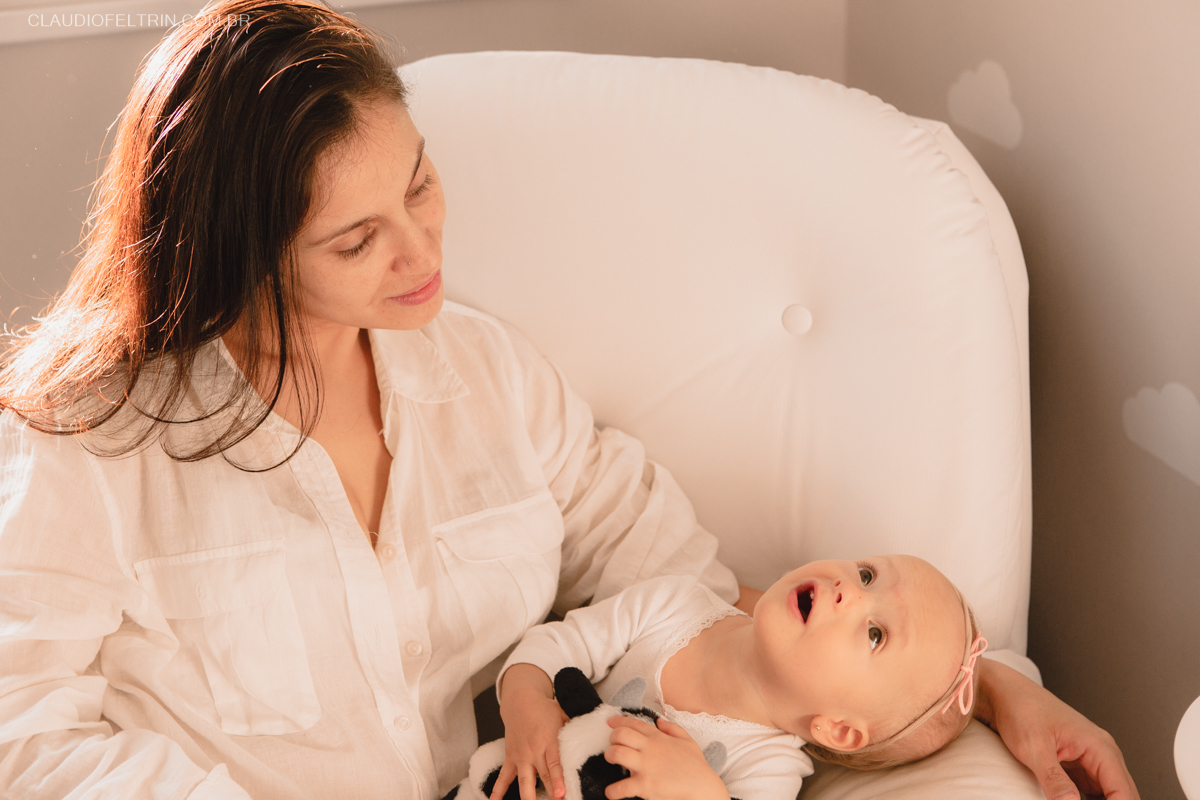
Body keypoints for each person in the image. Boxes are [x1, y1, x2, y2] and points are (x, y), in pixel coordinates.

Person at [0, 1, 1139, 799]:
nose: (421, 252)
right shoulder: (90, 444)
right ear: (235, 254)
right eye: (357, 238)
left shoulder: (483, 374)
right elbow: (24, 739)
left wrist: (982, 685)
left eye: (420, 182)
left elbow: (682, 583)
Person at [489, 556, 986, 800]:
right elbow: (558, 643)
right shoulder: (673, 603)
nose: (846, 590)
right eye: (867, 574)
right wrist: (526, 696)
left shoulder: (768, 766)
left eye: (876, 634)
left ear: (837, 729)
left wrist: (702, 793)